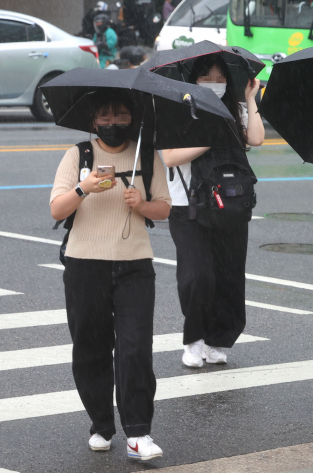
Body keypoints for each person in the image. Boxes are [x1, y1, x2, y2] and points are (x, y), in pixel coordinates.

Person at [49, 92, 171, 460]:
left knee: (135, 349)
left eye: (121, 115)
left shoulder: (146, 156)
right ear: (93, 121)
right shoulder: (78, 156)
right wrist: (83, 188)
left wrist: (142, 204)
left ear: (132, 119)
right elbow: (57, 208)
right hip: (85, 264)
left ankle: (138, 433)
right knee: (90, 349)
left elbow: (164, 208)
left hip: (135, 264)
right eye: (106, 116)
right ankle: (101, 423)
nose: (113, 122)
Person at [162, 56, 264, 368]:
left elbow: (257, 138)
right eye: (206, 78)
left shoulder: (234, 109)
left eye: (219, 78)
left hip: (230, 204)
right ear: (193, 81)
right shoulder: (179, 110)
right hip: (187, 206)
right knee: (198, 276)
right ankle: (194, 339)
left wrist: (248, 98)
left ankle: (219, 339)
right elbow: (169, 157)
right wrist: (210, 137)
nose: (214, 83)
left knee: (229, 277)